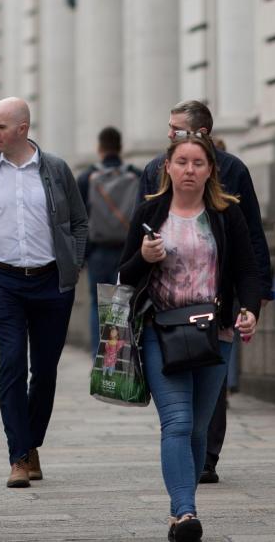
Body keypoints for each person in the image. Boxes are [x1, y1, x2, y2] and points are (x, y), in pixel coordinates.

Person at [120, 134, 261, 542]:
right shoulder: (151, 212)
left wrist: (248, 310)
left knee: (199, 428)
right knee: (178, 422)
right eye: (181, 162)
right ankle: (186, 513)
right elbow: (123, 275)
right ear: (168, 166)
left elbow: (247, 271)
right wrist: (143, 258)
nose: (189, 170)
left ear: (210, 170)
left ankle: (178, 507)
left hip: (214, 333)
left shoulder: (225, 214)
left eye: (198, 163)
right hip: (161, 331)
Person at [137, 100, 272, 484]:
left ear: (204, 137)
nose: (169, 136)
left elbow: (252, 242)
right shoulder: (152, 171)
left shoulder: (234, 171)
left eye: (176, 129)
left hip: (220, 305)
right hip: (164, 315)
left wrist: (255, 297)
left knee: (211, 394)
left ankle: (208, 456)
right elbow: (134, 248)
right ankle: (184, 501)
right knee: (178, 417)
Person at [0, 97, 88, 489]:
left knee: (45, 370)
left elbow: (79, 222)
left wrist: (73, 264)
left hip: (51, 283)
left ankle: (31, 444)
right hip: (2, 281)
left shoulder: (56, 170)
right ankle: (18, 455)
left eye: (0, 125)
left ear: (22, 129)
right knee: (12, 361)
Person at [78, 126, 141, 357]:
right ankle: (122, 357)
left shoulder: (87, 178)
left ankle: (101, 356)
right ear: (120, 147)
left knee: (98, 305)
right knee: (123, 304)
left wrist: (82, 255)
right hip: (128, 252)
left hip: (98, 252)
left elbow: (79, 219)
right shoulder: (136, 175)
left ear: (99, 147)